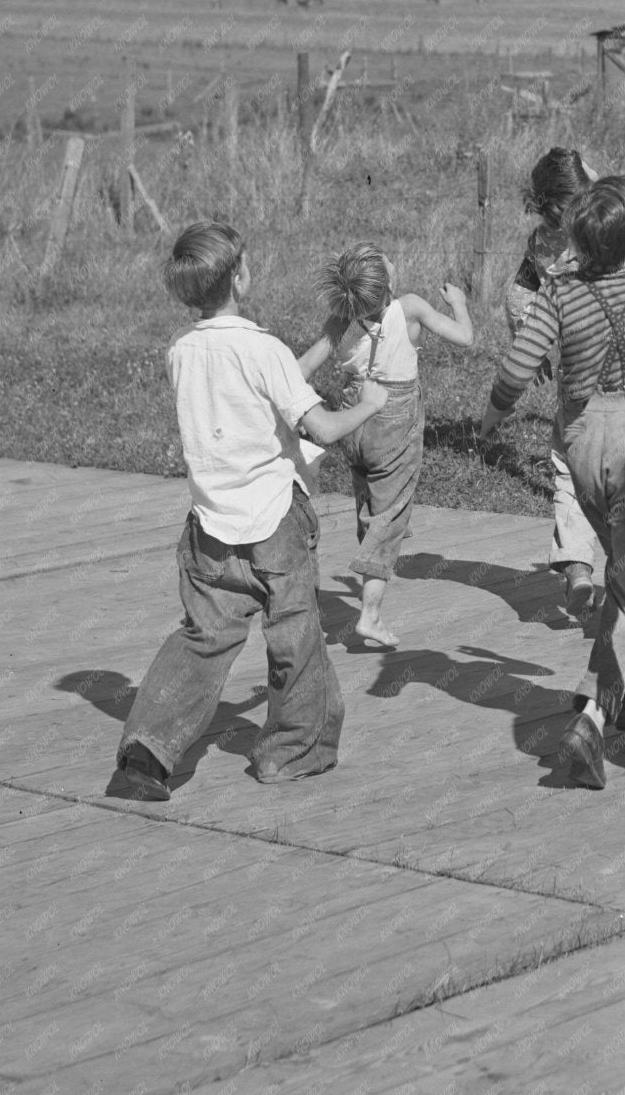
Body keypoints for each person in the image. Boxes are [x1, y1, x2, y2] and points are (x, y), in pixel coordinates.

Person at [109, 222, 388, 805]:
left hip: (210, 527)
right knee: (296, 637)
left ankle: (146, 754)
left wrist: (326, 341)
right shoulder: (263, 349)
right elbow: (320, 425)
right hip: (275, 523)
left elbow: (262, 385)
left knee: (203, 637)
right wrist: (372, 402)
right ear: (240, 274)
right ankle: (291, 753)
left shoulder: (182, 352)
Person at [479, 176, 625, 790]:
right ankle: (594, 720)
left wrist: (493, 415)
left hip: (583, 444)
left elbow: (520, 366)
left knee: (623, 574)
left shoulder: (558, 295)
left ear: (576, 240)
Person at [298, 244, 473, 648]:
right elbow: (464, 338)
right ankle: (370, 616)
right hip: (395, 418)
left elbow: (303, 368)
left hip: (353, 418)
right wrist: (459, 304)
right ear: (388, 282)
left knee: (369, 504)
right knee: (390, 514)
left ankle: (370, 553)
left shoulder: (342, 318)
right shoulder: (409, 307)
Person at [505, 146, 601, 615]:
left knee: (571, 471)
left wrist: (529, 336)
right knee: (595, 474)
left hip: (579, 377)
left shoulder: (541, 242)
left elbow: (518, 292)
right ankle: (617, 584)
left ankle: (578, 564)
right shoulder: (608, 226)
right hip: (622, 375)